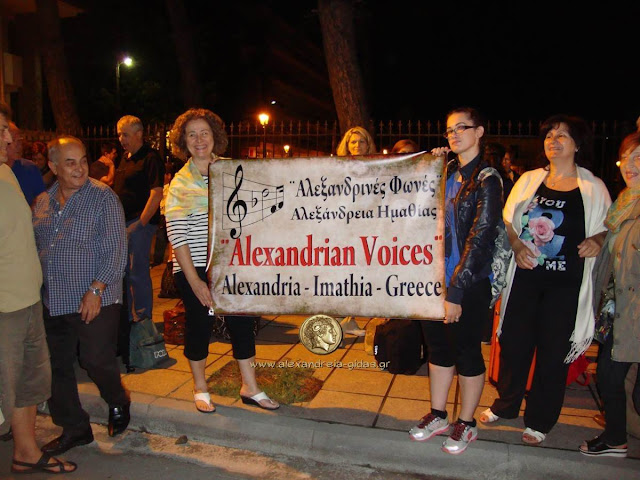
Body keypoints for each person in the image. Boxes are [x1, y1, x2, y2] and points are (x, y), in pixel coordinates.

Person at [480, 114, 611, 446]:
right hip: (526, 280)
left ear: (578, 144)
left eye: (562, 135)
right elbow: (508, 220)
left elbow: (610, 227)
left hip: (566, 285)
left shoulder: (593, 187)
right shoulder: (529, 180)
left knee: (552, 353)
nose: (554, 140)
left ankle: (540, 419)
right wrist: (515, 244)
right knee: (514, 345)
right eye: (550, 135)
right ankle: (506, 405)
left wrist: (598, 239)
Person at [165, 108, 279, 413]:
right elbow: (177, 236)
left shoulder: (232, 171)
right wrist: (195, 281)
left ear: (215, 136)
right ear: (183, 141)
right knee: (199, 324)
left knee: (242, 322)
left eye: (204, 132)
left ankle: (250, 387)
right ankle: (200, 386)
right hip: (194, 267)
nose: (199, 139)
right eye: (192, 134)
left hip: (232, 264)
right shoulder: (180, 184)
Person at [409, 107, 502, 454]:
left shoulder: (488, 179)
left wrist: (457, 291)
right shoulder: (445, 171)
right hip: (433, 279)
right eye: (449, 130)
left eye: (462, 127)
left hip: (467, 282)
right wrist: (428, 165)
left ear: (479, 132)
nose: (454, 134)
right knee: (438, 348)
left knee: (466, 352)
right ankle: (438, 414)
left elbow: (481, 237)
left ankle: (467, 422)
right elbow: (412, 204)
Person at [33, 135, 130, 456]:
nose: (80, 168)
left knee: (95, 360)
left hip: (96, 296)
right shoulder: (42, 202)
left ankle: (117, 399)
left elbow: (116, 251)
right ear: (53, 166)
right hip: (54, 298)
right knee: (54, 367)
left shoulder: (103, 198)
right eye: (70, 163)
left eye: (83, 161)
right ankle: (75, 428)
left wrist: (96, 289)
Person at [0, 103, 77, 474]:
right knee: (5, 389)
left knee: (30, 382)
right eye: (1, 131)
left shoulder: (6, 172)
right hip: (4, 307)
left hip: (28, 299)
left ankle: (26, 452)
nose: (8, 139)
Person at [580, 132, 640, 458]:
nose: (630, 166)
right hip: (620, 310)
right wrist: (600, 240)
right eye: (625, 159)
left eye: (638, 158)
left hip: (634, 310)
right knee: (608, 375)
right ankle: (616, 436)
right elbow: (617, 242)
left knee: (613, 378)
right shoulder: (625, 202)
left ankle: (617, 437)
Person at [114, 115, 165, 323]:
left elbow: (157, 193)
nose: (121, 139)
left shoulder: (150, 158)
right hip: (122, 222)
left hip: (139, 224)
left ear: (139, 134)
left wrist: (139, 223)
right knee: (123, 272)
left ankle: (143, 320)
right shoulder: (125, 158)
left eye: (125, 134)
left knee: (137, 272)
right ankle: (127, 317)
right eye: (119, 134)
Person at [335, 125, 377, 336]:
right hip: (342, 229)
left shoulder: (376, 168)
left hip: (366, 228)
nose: (357, 145)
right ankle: (338, 320)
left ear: (368, 145)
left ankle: (348, 319)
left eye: (361, 141)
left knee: (358, 276)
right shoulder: (338, 168)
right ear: (347, 145)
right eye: (353, 142)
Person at [5, 122, 46, 206]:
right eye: (13, 140)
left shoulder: (30, 169)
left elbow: (42, 202)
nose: (19, 146)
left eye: (20, 140)